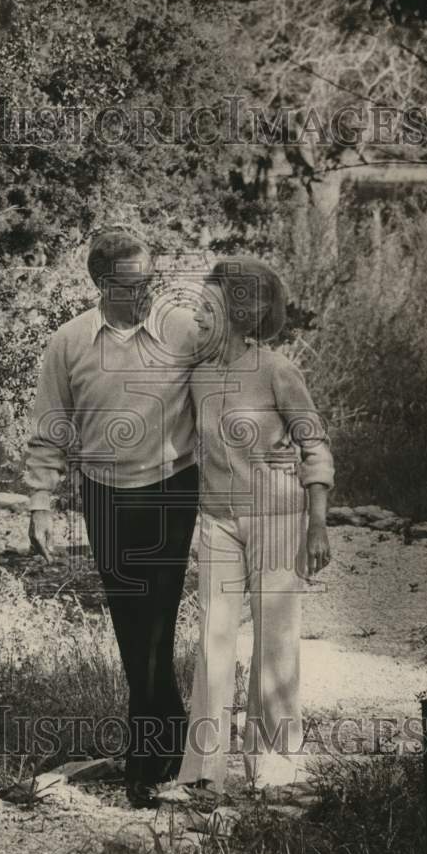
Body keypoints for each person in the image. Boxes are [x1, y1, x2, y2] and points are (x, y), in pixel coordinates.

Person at [24, 226, 202, 808]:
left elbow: (228, 392)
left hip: (173, 488)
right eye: (133, 284)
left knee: (158, 618)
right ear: (102, 284)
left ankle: (144, 759)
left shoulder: (181, 329)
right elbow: (51, 427)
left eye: (152, 279)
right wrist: (39, 503)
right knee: (132, 622)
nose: (147, 291)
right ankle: (169, 733)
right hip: (105, 495)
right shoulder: (69, 342)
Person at [162, 255, 335, 806]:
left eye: (210, 303)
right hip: (216, 520)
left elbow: (315, 446)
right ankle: (202, 776)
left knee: (275, 643)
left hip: (279, 519)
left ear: (241, 311)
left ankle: (276, 769)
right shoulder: (197, 373)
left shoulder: (277, 370)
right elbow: (171, 442)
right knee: (213, 641)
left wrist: (318, 525)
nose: (201, 312)